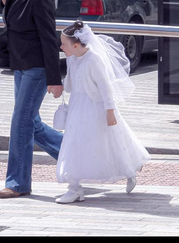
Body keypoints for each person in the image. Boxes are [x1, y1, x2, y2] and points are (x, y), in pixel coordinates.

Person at [0, 0, 63, 199]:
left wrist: (55, 79)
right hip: (20, 66)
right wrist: (6, 2)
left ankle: (18, 182)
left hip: (37, 68)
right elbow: (13, 24)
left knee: (20, 122)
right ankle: (73, 152)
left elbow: (48, 39)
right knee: (31, 124)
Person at [54, 21, 151, 204]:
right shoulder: (72, 57)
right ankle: (74, 187)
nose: (60, 47)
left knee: (112, 141)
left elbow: (106, 88)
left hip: (96, 107)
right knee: (74, 142)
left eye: (64, 44)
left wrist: (110, 111)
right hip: (77, 107)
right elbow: (71, 83)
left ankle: (130, 170)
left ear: (75, 45)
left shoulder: (94, 60)